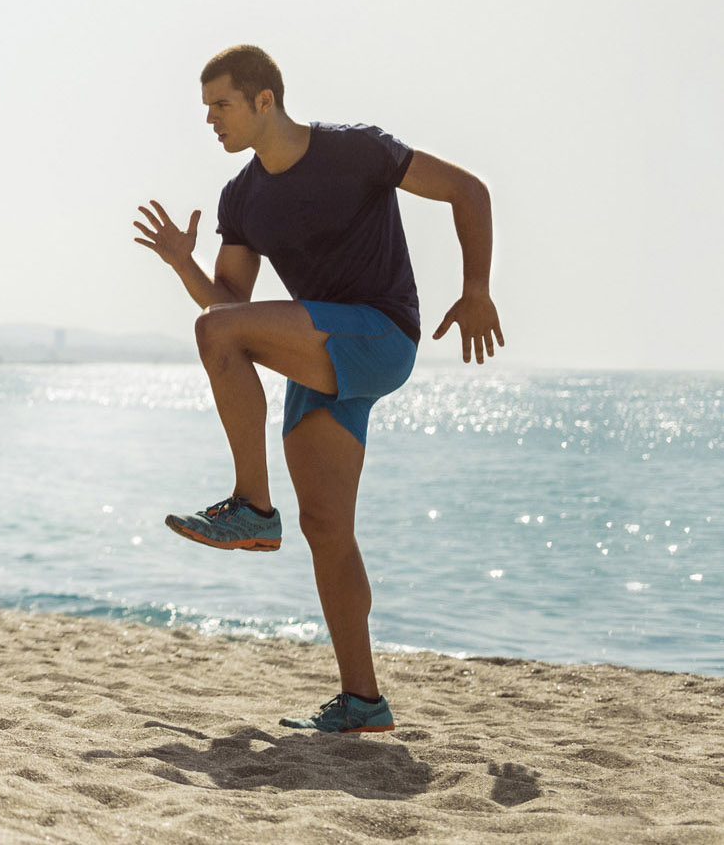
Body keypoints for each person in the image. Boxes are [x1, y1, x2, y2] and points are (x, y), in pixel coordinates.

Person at [134, 43, 502, 735]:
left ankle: (252, 504)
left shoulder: (357, 151)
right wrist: (185, 264)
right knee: (327, 527)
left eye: (222, 104)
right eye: (206, 107)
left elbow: (469, 190)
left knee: (217, 339)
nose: (211, 119)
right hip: (322, 353)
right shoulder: (242, 197)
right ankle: (363, 701)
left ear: (263, 100)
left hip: (380, 334)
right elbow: (226, 306)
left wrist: (476, 287)